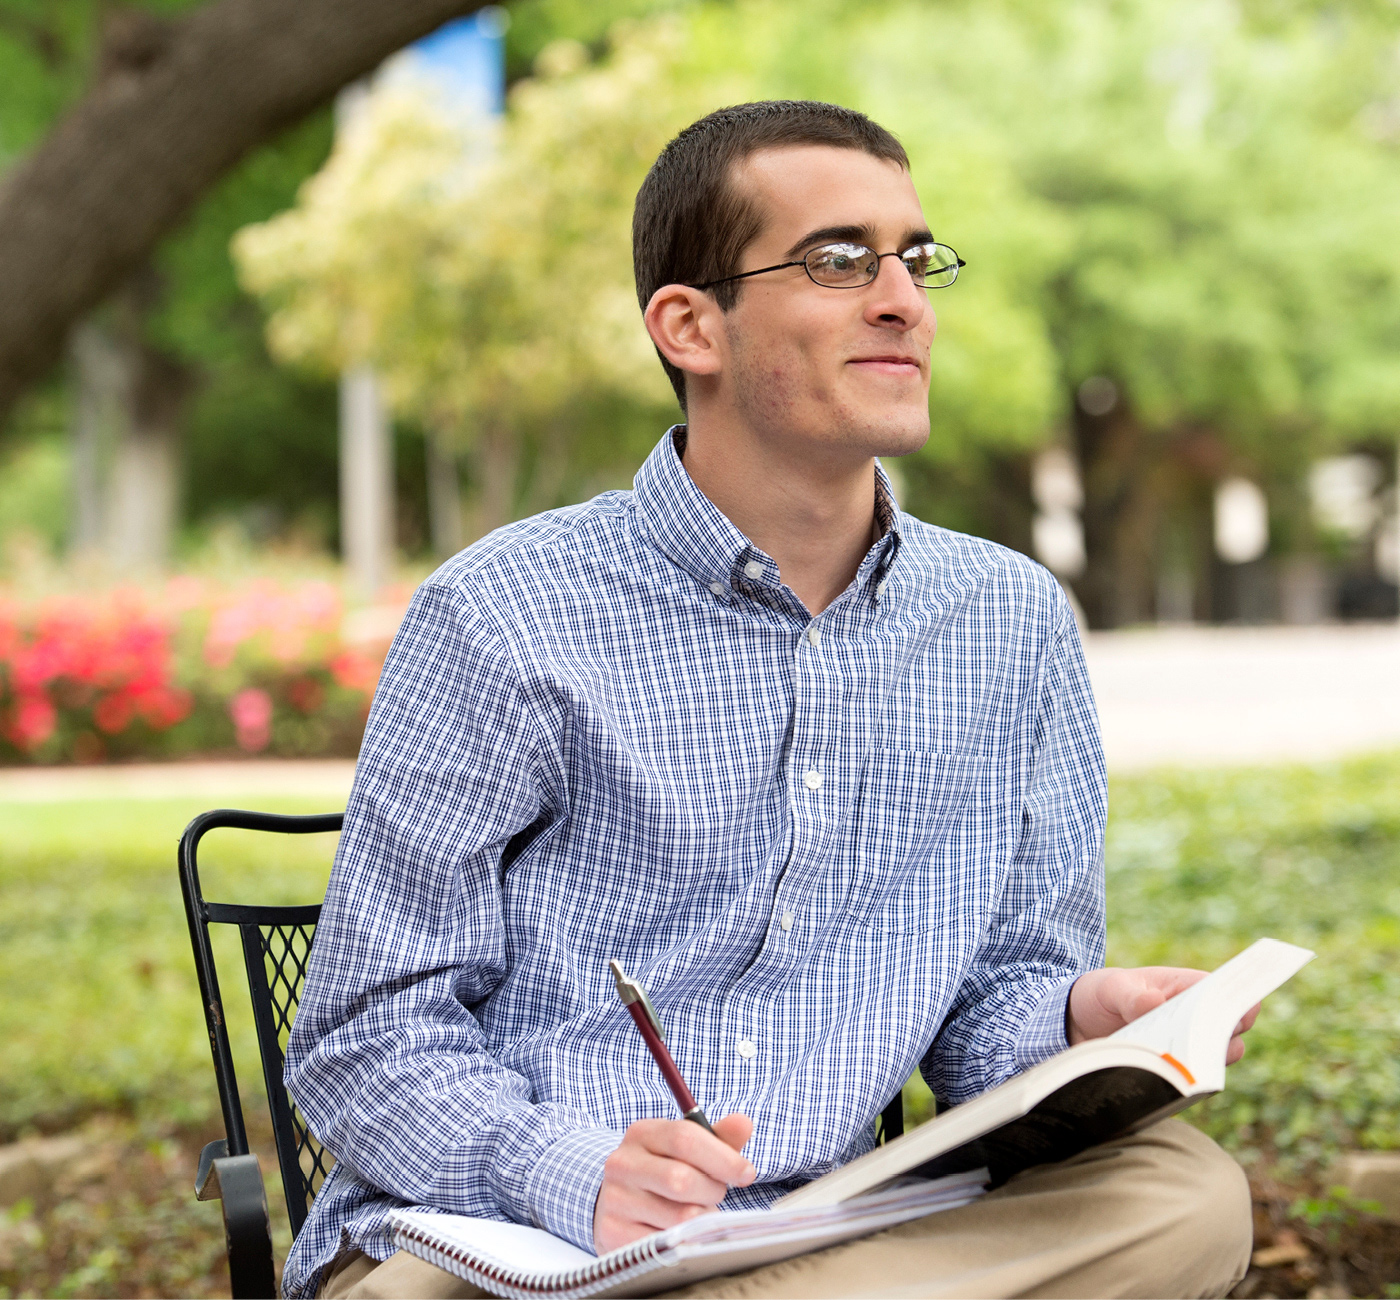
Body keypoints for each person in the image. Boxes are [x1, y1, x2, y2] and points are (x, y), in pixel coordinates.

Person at [284, 100, 1255, 1300]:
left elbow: (982, 1021)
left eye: (914, 257)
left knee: (1180, 1198)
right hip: (515, 1246)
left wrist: (1073, 1013)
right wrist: (572, 1170)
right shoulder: (501, 613)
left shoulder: (1009, 623)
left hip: (832, 1237)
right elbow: (362, 1036)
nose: (903, 299)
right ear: (690, 325)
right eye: (838, 260)